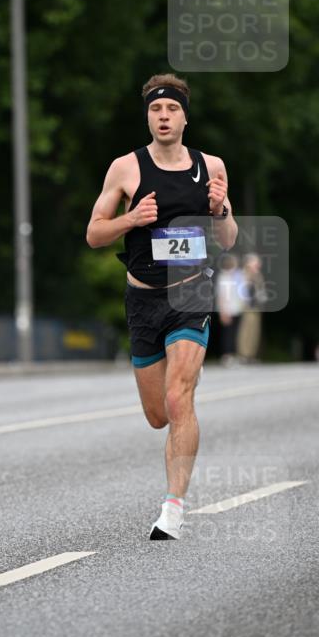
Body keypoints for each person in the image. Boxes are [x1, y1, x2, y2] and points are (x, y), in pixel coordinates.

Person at [86, 73, 237, 540]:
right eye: (156, 109)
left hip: (191, 293)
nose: (164, 116)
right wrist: (131, 219)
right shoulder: (125, 168)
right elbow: (94, 233)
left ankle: (173, 508)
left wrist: (220, 210)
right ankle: (181, 402)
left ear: (185, 118)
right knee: (158, 415)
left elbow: (229, 239)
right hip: (143, 299)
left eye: (172, 109)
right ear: (148, 117)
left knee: (178, 398)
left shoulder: (211, 166)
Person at [215, 253, 245, 366]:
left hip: (237, 308)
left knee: (235, 333)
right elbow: (221, 295)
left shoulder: (238, 276)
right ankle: (226, 355)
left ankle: (234, 354)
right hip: (227, 309)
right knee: (227, 333)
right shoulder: (223, 276)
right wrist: (223, 311)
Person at [237, 252, 266, 363]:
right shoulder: (243, 274)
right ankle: (243, 354)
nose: (258, 265)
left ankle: (251, 355)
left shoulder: (258, 275)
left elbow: (261, 291)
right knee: (245, 330)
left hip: (256, 307)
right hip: (246, 306)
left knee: (255, 331)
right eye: (256, 263)